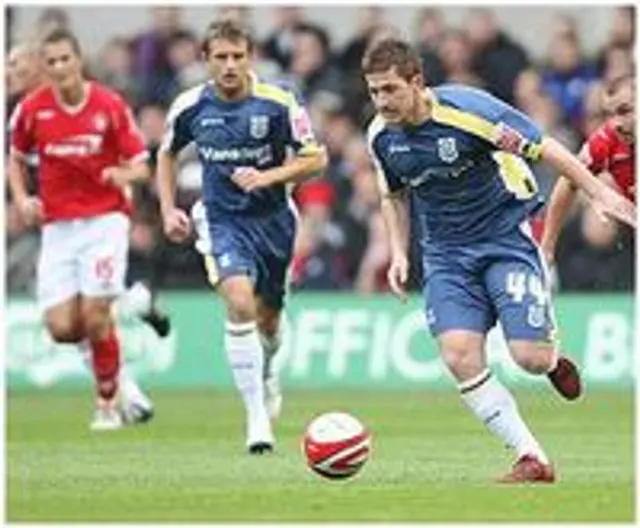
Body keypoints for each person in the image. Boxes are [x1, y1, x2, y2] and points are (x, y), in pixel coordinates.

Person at [361, 38, 636, 483]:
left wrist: (599, 191)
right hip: (446, 255)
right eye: (374, 92)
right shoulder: (380, 136)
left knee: (529, 357)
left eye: (390, 89)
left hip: (504, 238)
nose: (382, 102)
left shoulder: (469, 112)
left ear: (417, 82)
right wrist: (396, 250)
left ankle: (553, 362)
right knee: (458, 355)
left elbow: (545, 147)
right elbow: (392, 194)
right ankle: (532, 457)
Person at [157, 19, 327, 454]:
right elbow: (166, 155)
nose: (230, 65)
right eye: (221, 57)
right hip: (220, 220)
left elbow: (316, 159)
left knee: (269, 320)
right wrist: (168, 208)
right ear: (206, 59)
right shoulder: (191, 107)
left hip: (274, 221)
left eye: (238, 56)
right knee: (238, 301)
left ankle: (268, 371)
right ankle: (256, 420)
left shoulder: (277, 103)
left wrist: (269, 176)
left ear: (250, 57)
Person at [8, 29, 154, 430]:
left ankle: (107, 406)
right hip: (58, 228)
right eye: (51, 62)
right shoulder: (31, 110)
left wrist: (120, 172)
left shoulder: (108, 105)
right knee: (61, 329)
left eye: (64, 60)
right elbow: (15, 160)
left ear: (79, 60)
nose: (59, 68)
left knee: (94, 315)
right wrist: (21, 199)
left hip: (105, 221)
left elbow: (143, 166)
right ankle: (130, 302)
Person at [541, 74, 635, 264]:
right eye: (608, 115)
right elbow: (569, 180)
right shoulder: (605, 140)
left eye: (624, 111)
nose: (615, 123)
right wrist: (548, 245)